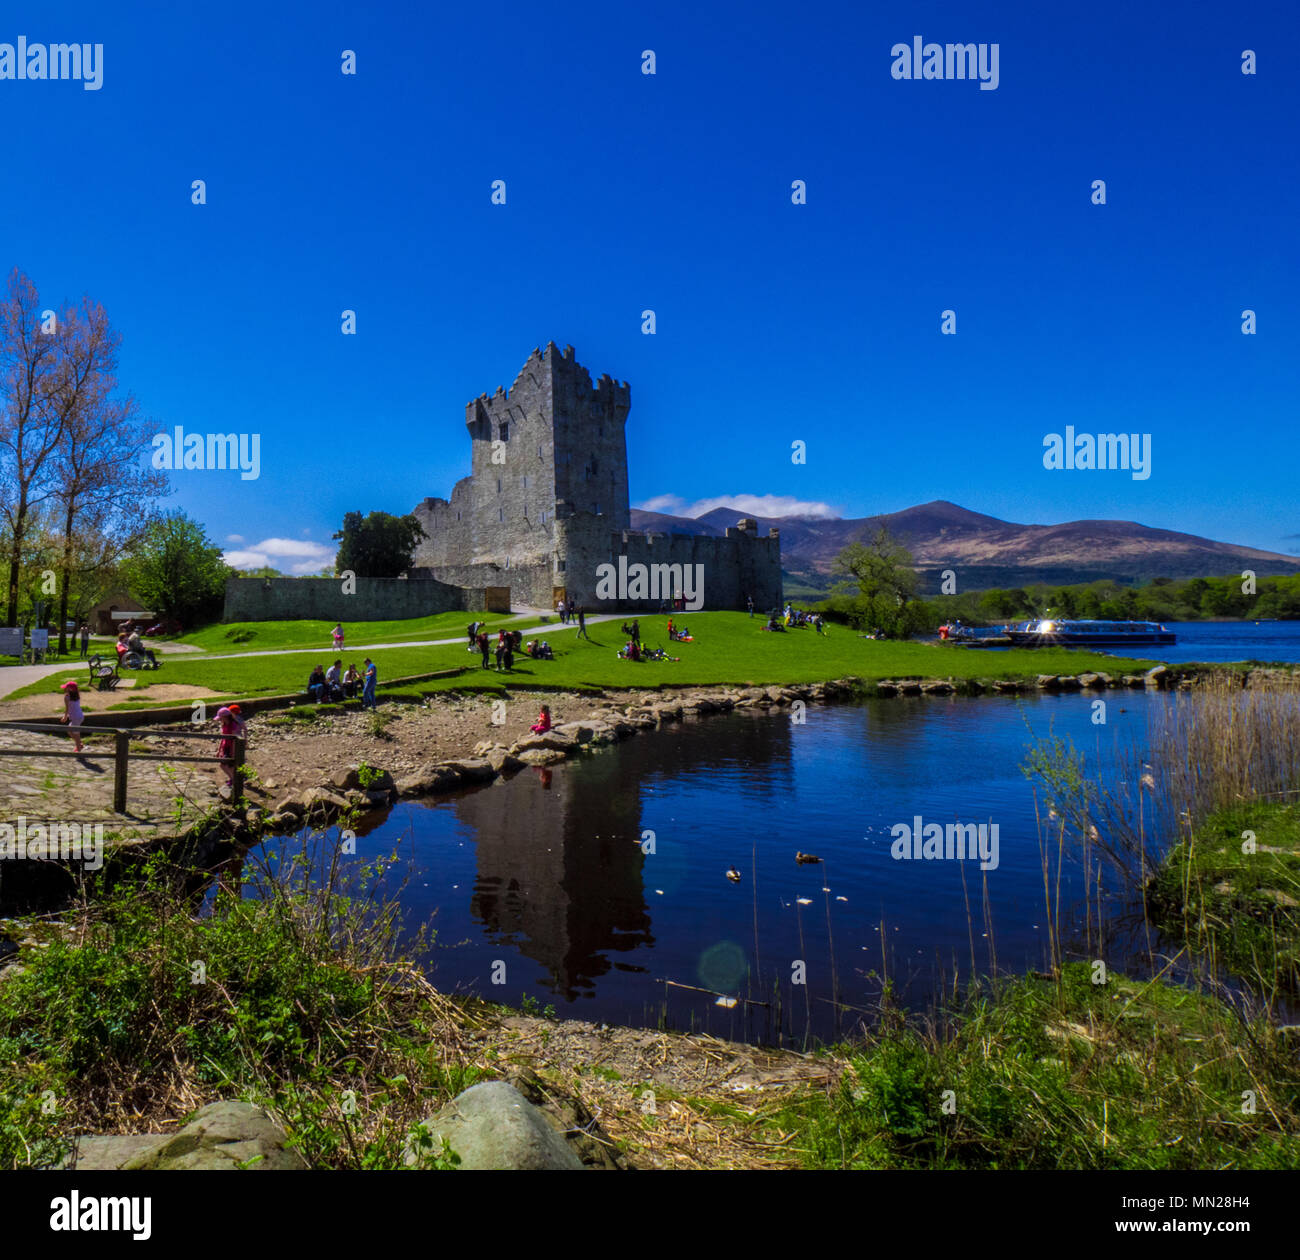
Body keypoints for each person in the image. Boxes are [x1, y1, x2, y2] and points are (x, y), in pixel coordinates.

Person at [214, 704, 246, 789]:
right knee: (224, 765)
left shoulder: (233, 725)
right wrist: (219, 750)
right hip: (226, 747)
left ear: (225, 717)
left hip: (232, 748)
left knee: (227, 765)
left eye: (220, 718)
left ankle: (234, 779)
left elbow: (234, 739)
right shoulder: (224, 725)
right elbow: (223, 738)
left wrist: (233, 752)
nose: (220, 720)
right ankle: (233, 779)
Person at [60, 680, 84, 753]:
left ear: (69, 689)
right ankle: (79, 744)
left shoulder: (67, 697)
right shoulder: (77, 696)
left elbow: (67, 709)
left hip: (75, 718)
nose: (64, 689)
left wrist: (65, 717)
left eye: (66, 688)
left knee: (75, 734)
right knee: (71, 730)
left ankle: (78, 749)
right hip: (80, 716)